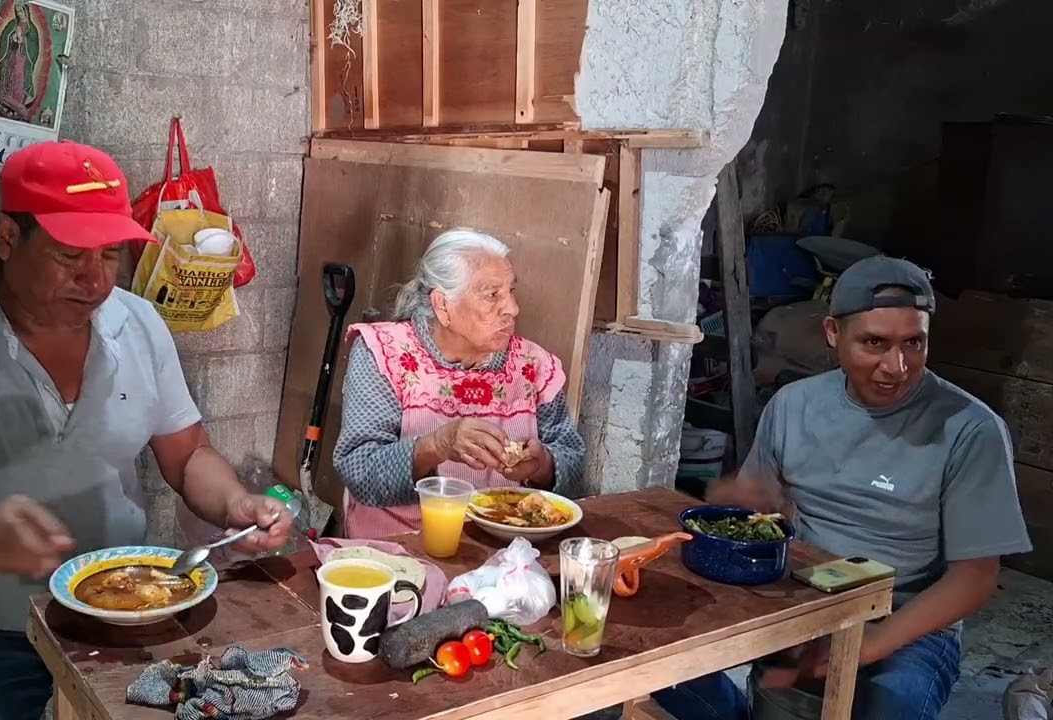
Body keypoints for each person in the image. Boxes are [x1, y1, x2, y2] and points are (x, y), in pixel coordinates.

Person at [0, 140, 292, 720]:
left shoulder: (138, 322)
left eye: (110, 254)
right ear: (8, 238)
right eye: (71, 255)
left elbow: (188, 454)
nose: (95, 281)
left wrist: (234, 503)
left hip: (125, 609)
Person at [652, 257, 1032, 720]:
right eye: (874, 343)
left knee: (891, 705)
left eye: (914, 343)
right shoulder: (795, 405)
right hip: (803, 603)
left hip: (906, 623)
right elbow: (757, 506)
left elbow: (973, 580)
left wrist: (863, 648)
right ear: (833, 333)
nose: (896, 366)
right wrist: (736, 499)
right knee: (653, 660)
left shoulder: (970, 429)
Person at [332, 228, 586, 539]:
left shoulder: (534, 366)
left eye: (511, 292)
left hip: (505, 551)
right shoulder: (386, 354)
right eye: (492, 295)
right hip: (400, 547)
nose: (512, 309)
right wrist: (437, 445)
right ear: (442, 306)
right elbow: (361, 470)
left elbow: (573, 467)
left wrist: (542, 465)